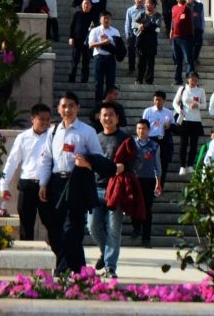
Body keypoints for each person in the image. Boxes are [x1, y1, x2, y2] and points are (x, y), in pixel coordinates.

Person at [38, 92, 113, 273]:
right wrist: (43, 183)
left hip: (77, 184)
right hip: (56, 184)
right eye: (64, 106)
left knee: (72, 230)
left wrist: (87, 162)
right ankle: (79, 270)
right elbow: (47, 159)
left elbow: (99, 158)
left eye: (71, 105)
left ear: (77, 108)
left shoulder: (87, 131)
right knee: (56, 231)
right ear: (58, 109)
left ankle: (62, 270)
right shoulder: (53, 132)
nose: (67, 109)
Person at [0, 104, 53, 241]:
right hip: (27, 185)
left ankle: (58, 258)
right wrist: (3, 185)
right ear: (32, 119)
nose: (45, 123)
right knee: (26, 226)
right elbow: (11, 162)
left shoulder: (53, 137)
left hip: (47, 186)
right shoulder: (22, 138)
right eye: (41, 119)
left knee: (52, 223)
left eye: (47, 119)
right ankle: (28, 258)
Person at [89, 104, 130, 278]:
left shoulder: (125, 139)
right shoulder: (94, 138)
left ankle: (110, 267)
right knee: (93, 226)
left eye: (111, 115)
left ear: (117, 118)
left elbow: (136, 161)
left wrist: (124, 167)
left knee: (114, 229)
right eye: (104, 115)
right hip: (96, 188)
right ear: (99, 117)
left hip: (116, 189)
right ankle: (106, 252)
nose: (107, 118)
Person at [128, 119, 162, 246]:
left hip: (148, 180)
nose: (141, 131)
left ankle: (146, 238)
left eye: (144, 129)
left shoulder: (154, 146)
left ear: (149, 130)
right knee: (133, 206)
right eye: (139, 129)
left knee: (147, 209)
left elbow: (157, 165)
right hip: (133, 180)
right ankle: (136, 227)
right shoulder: (131, 144)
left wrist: (158, 181)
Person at [172, 72, 206, 175]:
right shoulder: (182, 89)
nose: (194, 82)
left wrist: (197, 105)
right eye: (192, 80)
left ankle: (190, 165)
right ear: (188, 79)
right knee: (183, 143)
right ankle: (182, 166)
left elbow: (204, 105)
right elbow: (175, 102)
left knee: (194, 144)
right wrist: (179, 110)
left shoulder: (200, 90)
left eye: (196, 80)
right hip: (185, 120)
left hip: (196, 120)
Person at [142, 90, 176, 188]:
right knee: (149, 165)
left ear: (164, 101)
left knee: (162, 166)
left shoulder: (169, 113)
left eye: (159, 100)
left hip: (164, 141)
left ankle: (160, 186)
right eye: (155, 100)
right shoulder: (148, 111)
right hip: (151, 140)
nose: (157, 102)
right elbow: (143, 126)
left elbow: (174, 127)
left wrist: (169, 126)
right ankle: (150, 186)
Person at [88, 12, 121, 106]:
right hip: (99, 58)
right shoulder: (95, 30)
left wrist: (109, 42)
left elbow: (119, 47)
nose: (106, 20)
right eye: (104, 18)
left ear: (111, 20)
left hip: (110, 58)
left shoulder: (115, 31)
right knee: (98, 83)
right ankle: (98, 104)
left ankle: (109, 103)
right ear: (100, 19)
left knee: (110, 83)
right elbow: (91, 45)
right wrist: (102, 43)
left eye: (108, 18)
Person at [67, 0, 98, 84]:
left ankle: (84, 80)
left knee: (86, 62)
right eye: (85, 4)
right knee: (74, 61)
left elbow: (96, 29)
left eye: (88, 4)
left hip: (87, 43)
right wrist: (71, 37)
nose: (86, 5)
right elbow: (72, 26)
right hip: (76, 41)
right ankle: (71, 79)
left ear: (91, 6)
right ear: (82, 5)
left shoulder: (94, 16)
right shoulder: (77, 14)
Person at [168, 0, 193, 85]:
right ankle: (177, 79)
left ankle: (190, 80)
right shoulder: (174, 7)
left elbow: (190, 6)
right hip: (175, 37)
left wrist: (188, 1)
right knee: (177, 60)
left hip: (186, 37)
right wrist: (171, 30)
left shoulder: (187, 6)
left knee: (188, 60)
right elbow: (173, 20)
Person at [134, 0, 162, 84]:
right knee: (140, 63)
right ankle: (139, 79)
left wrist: (144, 26)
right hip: (141, 42)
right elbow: (135, 25)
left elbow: (157, 28)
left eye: (148, 3)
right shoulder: (142, 14)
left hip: (152, 42)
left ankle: (149, 80)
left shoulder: (158, 16)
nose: (146, 5)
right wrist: (139, 27)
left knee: (150, 63)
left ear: (153, 5)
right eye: (145, 3)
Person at [124, 0, 147, 77]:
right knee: (131, 52)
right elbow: (127, 23)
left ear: (144, 0)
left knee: (142, 52)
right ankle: (131, 69)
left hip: (144, 34)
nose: (140, 0)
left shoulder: (146, 10)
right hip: (133, 34)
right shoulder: (130, 10)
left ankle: (142, 69)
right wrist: (127, 35)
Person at [184, 0, 206, 71]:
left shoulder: (199, 5)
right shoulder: (183, 5)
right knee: (189, 45)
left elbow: (202, 17)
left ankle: (195, 58)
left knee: (198, 44)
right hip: (187, 29)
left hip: (197, 28)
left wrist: (202, 28)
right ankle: (189, 60)